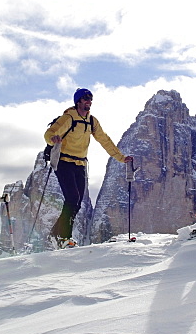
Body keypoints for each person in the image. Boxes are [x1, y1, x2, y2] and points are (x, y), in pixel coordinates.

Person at [44, 88, 133, 248]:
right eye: (85, 99)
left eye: (90, 99)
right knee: (72, 199)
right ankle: (63, 238)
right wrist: (53, 139)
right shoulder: (69, 117)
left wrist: (121, 157)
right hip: (64, 162)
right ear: (78, 101)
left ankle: (55, 234)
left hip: (80, 164)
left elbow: (104, 139)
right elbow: (49, 133)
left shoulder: (92, 121)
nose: (89, 102)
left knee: (77, 202)